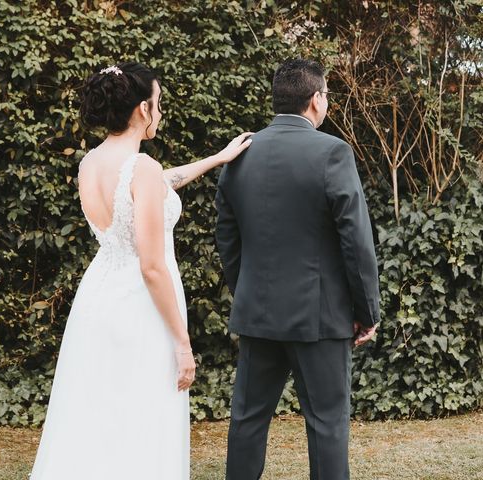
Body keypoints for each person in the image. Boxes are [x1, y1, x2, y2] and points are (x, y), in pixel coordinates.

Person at [29, 62, 251, 480]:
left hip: (97, 300)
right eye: (159, 103)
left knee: (98, 416)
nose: (161, 112)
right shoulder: (141, 167)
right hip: (140, 307)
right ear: (143, 110)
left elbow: (163, 183)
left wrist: (218, 158)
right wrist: (183, 344)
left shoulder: (91, 163)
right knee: (142, 413)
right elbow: (152, 266)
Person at [216, 59, 381, 480]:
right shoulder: (332, 152)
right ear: (315, 100)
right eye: (327, 95)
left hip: (258, 314)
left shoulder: (239, 154)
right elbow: (356, 240)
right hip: (321, 319)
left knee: (247, 421)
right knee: (327, 424)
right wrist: (367, 312)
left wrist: (248, 291)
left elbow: (228, 238)